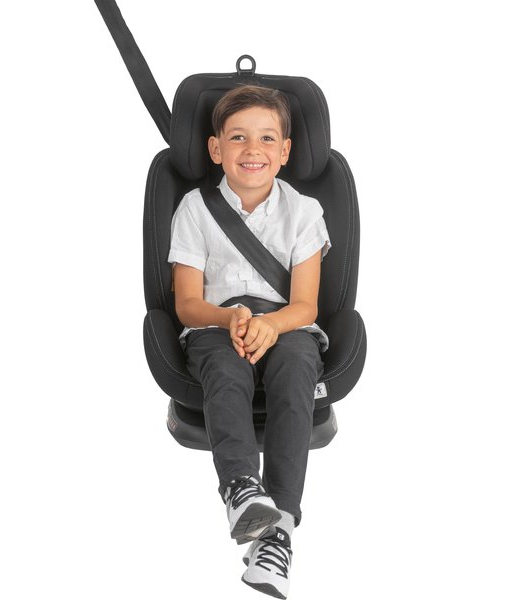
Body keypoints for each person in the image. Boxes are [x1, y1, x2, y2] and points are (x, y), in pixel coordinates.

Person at [168, 84, 331, 599]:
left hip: (286, 324)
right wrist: (229, 317)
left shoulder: (304, 211)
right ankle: (242, 489)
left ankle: (278, 533)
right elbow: (187, 303)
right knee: (224, 368)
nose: (252, 149)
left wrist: (272, 324)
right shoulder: (195, 208)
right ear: (216, 149)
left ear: (285, 151)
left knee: (296, 367)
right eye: (238, 138)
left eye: (266, 138)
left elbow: (306, 306)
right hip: (217, 323)